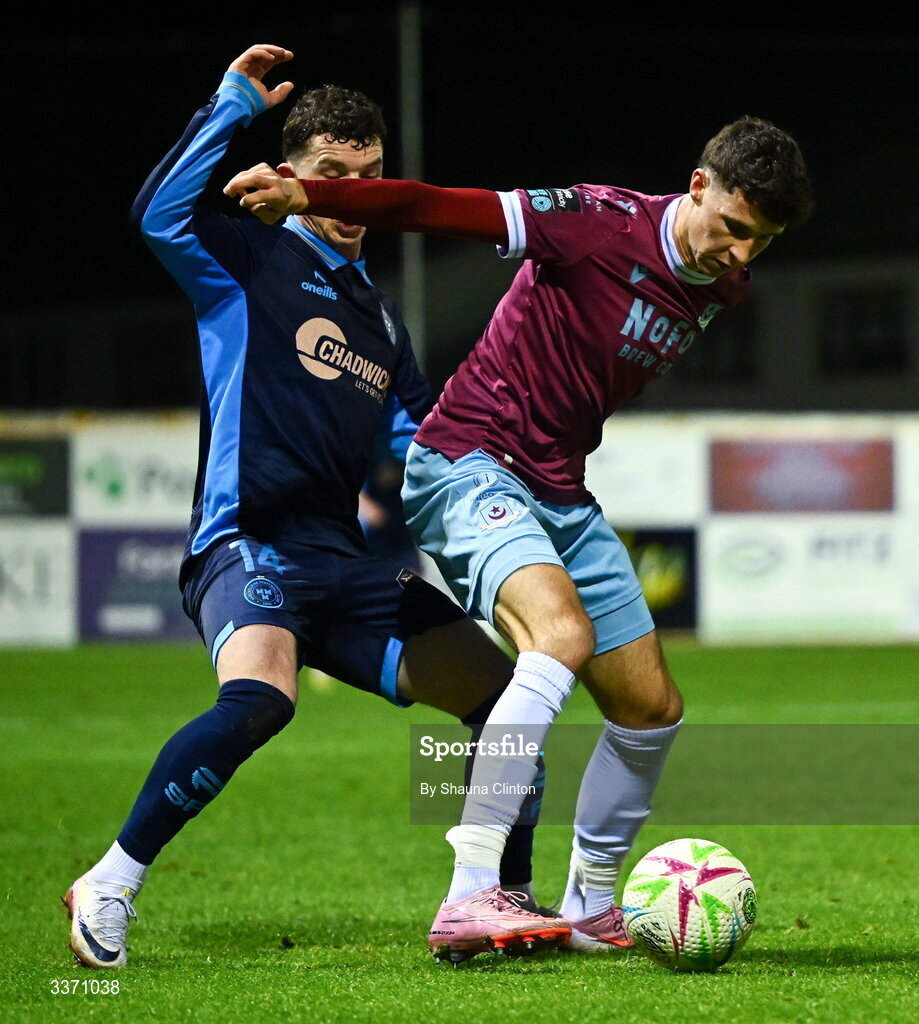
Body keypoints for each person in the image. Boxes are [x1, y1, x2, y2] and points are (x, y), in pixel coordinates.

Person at [225, 112, 813, 958]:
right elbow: (434, 206)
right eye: (733, 228)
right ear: (697, 187)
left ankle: (591, 905)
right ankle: (471, 891)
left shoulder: (723, 285)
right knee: (559, 635)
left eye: (763, 240)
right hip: (467, 461)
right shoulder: (592, 222)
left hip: (558, 490)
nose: (743, 255)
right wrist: (303, 193)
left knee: (650, 708)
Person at [64, 44, 571, 971]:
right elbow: (155, 214)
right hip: (245, 542)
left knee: (501, 698)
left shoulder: (379, 319)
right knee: (262, 697)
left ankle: (498, 901)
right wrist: (230, 105)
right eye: (331, 176)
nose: (351, 194)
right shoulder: (243, 259)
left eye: (369, 178)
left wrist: (504, 503)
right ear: (293, 176)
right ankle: (110, 880)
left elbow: (426, 446)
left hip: (345, 563)